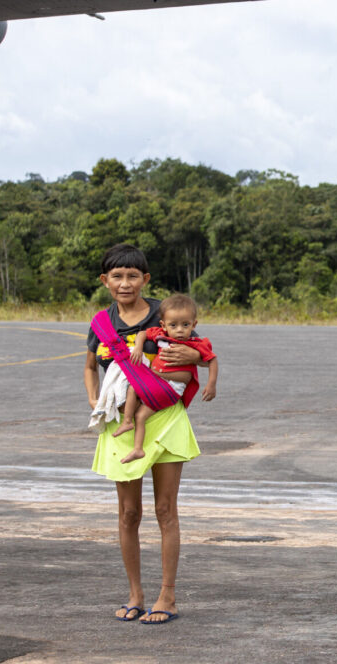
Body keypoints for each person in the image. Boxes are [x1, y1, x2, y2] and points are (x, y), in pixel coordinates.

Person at [84, 244, 208, 625]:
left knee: (165, 510)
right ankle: (135, 593)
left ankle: (166, 595)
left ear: (145, 280)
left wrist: (193, 359)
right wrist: (95, 401)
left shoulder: (165, 312)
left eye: (133, 276)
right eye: (117, 276)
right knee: (128, 513)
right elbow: (91, 366)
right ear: (105, 281)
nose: (125, 283)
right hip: (121, 423)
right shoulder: (101, 324)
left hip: (165, 417)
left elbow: (197, 350)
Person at [113, 293, 218, 464]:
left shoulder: (196, 343)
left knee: (135, 388)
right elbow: (142, 334)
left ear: (194, 324)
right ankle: (137, 447)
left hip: (171, 388)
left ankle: (127, 423)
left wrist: (211, 384)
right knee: (140, 415)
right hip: (157, 383)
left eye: (185, 325)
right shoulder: (161, 335)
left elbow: (212, 360)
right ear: (164, 325)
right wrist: (138, 348)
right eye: (173, 325)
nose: (179, 330)